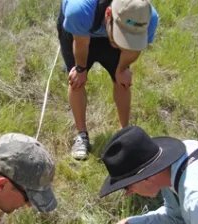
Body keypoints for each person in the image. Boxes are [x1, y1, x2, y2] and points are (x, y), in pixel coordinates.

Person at [57, 0, 159, 160]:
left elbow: (134, 49)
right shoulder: (79, 11)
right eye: (120, 36)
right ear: (108, 14)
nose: (120, 44)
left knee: (123, 82)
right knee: (77, 81)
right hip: (81, 33)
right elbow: (81, 42)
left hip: (103, 25)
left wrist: (122, 68)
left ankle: (124, 134)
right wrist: (80, 69)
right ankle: (82, 135)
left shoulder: (148, 18)